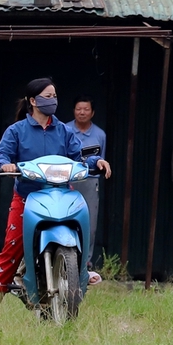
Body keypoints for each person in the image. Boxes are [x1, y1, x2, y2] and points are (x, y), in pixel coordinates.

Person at [0, 77, 90, 320]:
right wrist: (4, 164)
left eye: (54, 96)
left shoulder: (64, 130)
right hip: (27, 198)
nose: (52, 100)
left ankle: (84, 272)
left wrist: (97, 162)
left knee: (81, 234)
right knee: (11, 250)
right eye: (47, 96)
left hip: (62, 195)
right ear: (33, 101)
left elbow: (79, 157)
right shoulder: (16, 131)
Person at [70, 97, 112, 267]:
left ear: (92, 113)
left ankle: (85, 262)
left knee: (89, 222)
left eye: (86, 109)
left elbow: (100, 159)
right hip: (69, 180)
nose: (82, 112)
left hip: (90, 180)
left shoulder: (100, 134)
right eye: (79, 109)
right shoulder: (64, 130)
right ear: (74, 110)